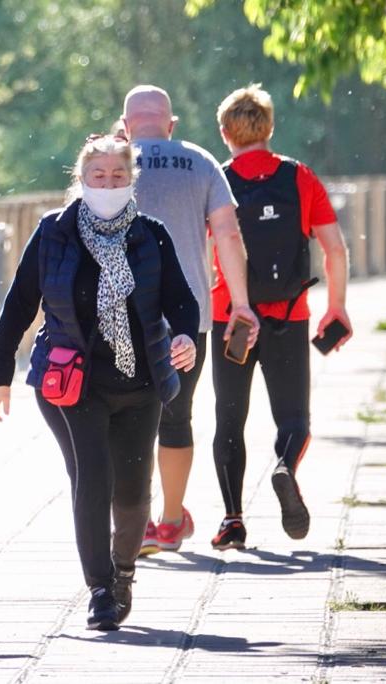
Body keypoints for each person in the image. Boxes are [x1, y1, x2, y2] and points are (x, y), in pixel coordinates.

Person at [0, 134, 199, 630]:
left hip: (141, 380)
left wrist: (184, 336)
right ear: (81, 179)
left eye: (118, 176)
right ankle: (100, 590)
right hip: (71, 383)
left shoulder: (151, 234)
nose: (108, 184)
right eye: (98, 176)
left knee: (132, 490)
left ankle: (124, 572)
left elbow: (181, 301)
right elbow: (19, 305)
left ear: (132, 180)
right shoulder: (54, 232)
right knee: (92, 478)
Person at [209, 85, 351, 551]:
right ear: (269, 128)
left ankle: (232, 520)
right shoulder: (299, 177)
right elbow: (334, 248)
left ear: (226, 132)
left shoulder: (218, 181)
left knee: (229, 420)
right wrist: (336, 306)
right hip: (290, 315)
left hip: (233, 319)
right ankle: (285, 467)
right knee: (294, 420)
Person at [121, 85, 259, 555]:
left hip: (117, 315)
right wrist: (239, 303)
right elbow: (227, 233)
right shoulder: (201, 161)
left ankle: (131, 520)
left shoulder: (107, 164)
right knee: (175, 418)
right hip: (188, 318)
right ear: (171, 124)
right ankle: (171, 520)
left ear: (126, 125)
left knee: (123, 415)